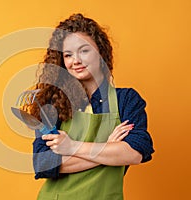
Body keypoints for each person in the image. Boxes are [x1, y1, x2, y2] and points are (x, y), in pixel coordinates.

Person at [28, 13, 154, 200]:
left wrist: (72, 147)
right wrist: (108, 148)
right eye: (68, 55)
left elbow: (135, 153)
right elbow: (43, 163)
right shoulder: (52, 104)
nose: (75, 60)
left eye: (84, 51)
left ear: (101, 52)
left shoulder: (126, 100)